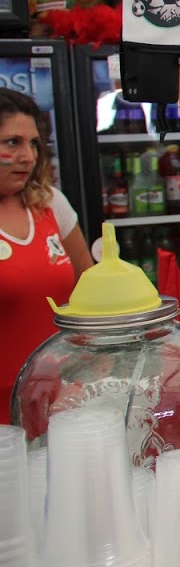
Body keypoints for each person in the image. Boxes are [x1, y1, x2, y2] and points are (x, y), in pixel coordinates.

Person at [0, 89, 92, 422]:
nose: (28, 156)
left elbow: (88, 287)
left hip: (60, 400)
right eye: (13, 143)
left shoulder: (50, 203)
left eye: (34, 144)